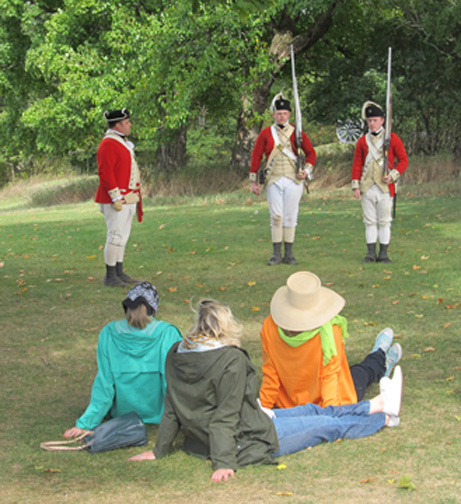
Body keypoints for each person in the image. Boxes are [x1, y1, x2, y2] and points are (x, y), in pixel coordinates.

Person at [127, 299, 403, 482]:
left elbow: (172, 407)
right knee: (325, 427)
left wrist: (160, 449)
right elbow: (223, 416)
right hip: (249, 440)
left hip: (253, 420)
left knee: (312, 410)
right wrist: (223, 462)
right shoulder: (230, 361)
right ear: (224, 327)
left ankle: (376, 405)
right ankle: (385, 418)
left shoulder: (176, 352)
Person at [259, 271, 403, 410]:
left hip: (289, 403)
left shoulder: (269, 325)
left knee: (355, 373)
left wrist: (263, 407)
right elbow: (330, 376)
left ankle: (380, 358)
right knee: (362, 372)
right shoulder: (329, 331)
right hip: (326, 401)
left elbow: (270, 373)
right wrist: (330, 414)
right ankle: (381, 358)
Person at [63, 282, 182, 438]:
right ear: (153, 309)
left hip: (122, 414)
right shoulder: (168, 333)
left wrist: (86, 423)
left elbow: (104, 384)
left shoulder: (108, 333)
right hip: (159, 414)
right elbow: (174, 382)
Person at [249, 94, 316, 266]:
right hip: (273, 180)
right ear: (273, 115)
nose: (282, 116)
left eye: (285, 113)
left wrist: (306, 171)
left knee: (290, 216)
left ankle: (289, 254)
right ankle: (276, 254)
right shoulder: (266, 134)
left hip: (294, 179)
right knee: (276, 216)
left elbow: (311, 154)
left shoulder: (297, 133)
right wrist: (253, 181)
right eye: (279, 113)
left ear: (289, 115)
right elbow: (256, 156)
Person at [351, 101, 408, 263]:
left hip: (385, 187)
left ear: (382, 121)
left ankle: (383, 254)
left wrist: (393, 175)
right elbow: (357, 164)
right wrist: (356, 185)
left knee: (384, 221)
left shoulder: (392, 139)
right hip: (368, 187)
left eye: (375, 120)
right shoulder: (362, 141)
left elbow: (403, 160)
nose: (372, 123)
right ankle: (370, 253)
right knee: (369, 221)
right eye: (369, 120)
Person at [95, 108, 144, 287]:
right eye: (127, 122)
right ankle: (110, 275)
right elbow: (105, 173)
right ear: (118, 125)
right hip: (115, 198)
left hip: (128, 198)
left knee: (123, 237)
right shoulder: (108, 143)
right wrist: (115, 196)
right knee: (115, 236)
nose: (130, 125)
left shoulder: (121, 142)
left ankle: (119, 270)